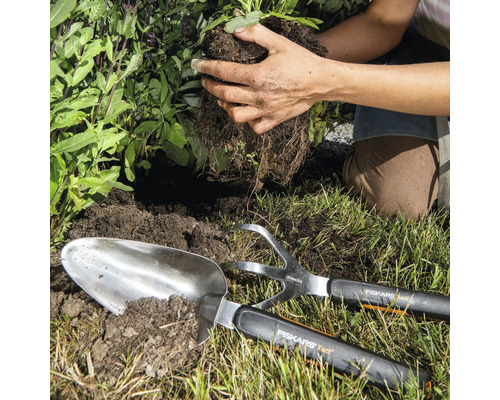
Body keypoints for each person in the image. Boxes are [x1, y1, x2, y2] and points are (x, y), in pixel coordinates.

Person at [191, 0, 450, 220]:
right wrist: (296, 60)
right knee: (397, 200)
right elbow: (384, 22)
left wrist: (319, 82)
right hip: (425, 48)